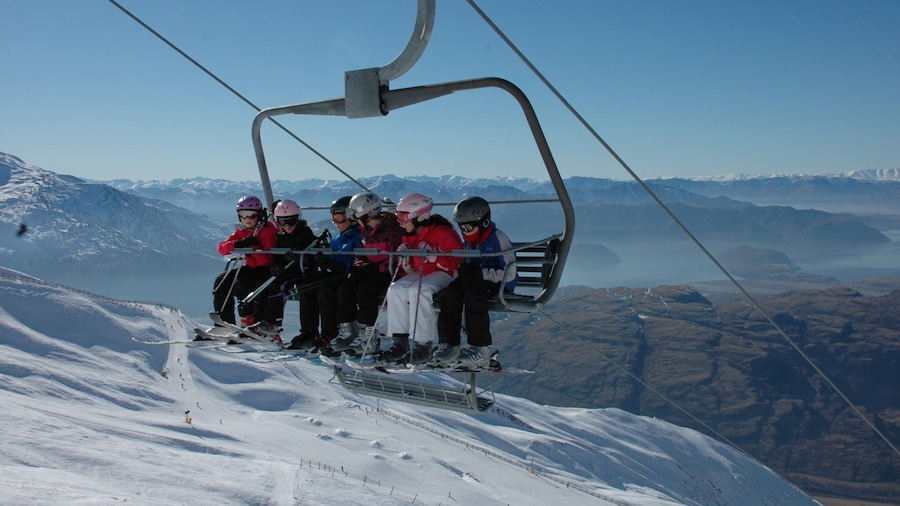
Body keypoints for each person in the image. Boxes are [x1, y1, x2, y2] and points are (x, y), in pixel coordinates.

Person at [433, 196, 518, 367]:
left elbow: (510, 273)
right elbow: (466, 265)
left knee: (474, 295)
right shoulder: (469, 242)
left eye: (468, 227)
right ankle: (449, 344)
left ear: (483, 222)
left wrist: (482, 274)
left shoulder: (498, 238)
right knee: (449, 294)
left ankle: (480, 348)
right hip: (474, 280)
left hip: (498, 285)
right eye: (461, 228)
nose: (464, 232)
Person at [381, 192, 463, 364]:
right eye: (398, 218)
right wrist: (405, 258)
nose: (401, 223)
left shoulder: (443, 233)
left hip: (445, 274)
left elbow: (457, 262)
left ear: (417, 217)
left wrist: (435, 257)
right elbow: (412, 267)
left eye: (403, 218)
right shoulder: (410, 235)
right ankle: (400, 342)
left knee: (419, 290)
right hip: (424, 273)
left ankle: (422, 345)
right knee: (395, 289)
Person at [329, 191, 404, 356]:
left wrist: (375, 267)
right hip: (371, 270)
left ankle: (369, 337)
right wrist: (359, 266)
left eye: (356, 217)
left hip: (388, 273)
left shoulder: (391, 230)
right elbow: (361, 254)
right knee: (345, 287)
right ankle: (348, 331)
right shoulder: (365, 231)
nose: (355, 221)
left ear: (367, 215)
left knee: (366, 289)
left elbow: (395, 256)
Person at [286, 196, 361, 350]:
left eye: (340, 219)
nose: (336, 223)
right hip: (335, 272)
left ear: (352, 217)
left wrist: (336, 264)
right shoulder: (339, 238)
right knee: (307, 285)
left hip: (348, 274)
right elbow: (333, 253)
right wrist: (322, 259)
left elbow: (355, 256)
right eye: (334, 219)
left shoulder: (358, 236)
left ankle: (329, 332)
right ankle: (308, 331)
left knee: (325, 290)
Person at [211, 195, 278, 327]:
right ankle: (225, 322)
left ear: (259, 214)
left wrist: (252, 247)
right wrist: (237, 244)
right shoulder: (242, 231)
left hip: (266, 270)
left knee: (241, 284)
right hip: (251, 268)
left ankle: (250, 320)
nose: (247, 219)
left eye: (251, 215)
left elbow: (266, 259)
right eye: (243, 214)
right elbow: (221, 248)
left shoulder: (268, 230)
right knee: (222, 281)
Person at [260, 199, 317, 339]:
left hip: (302, 272)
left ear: (298, 218)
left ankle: (274, 324)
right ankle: (262, 322)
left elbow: (314, 253)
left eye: (291, 221)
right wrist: (275, 267)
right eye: (282, 222)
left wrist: (302, 256)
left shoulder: (305, 234)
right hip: (288, 270)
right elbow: (276, 256)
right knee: (269, 282)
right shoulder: (280, 237)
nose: (287, 225)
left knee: (285, 285)